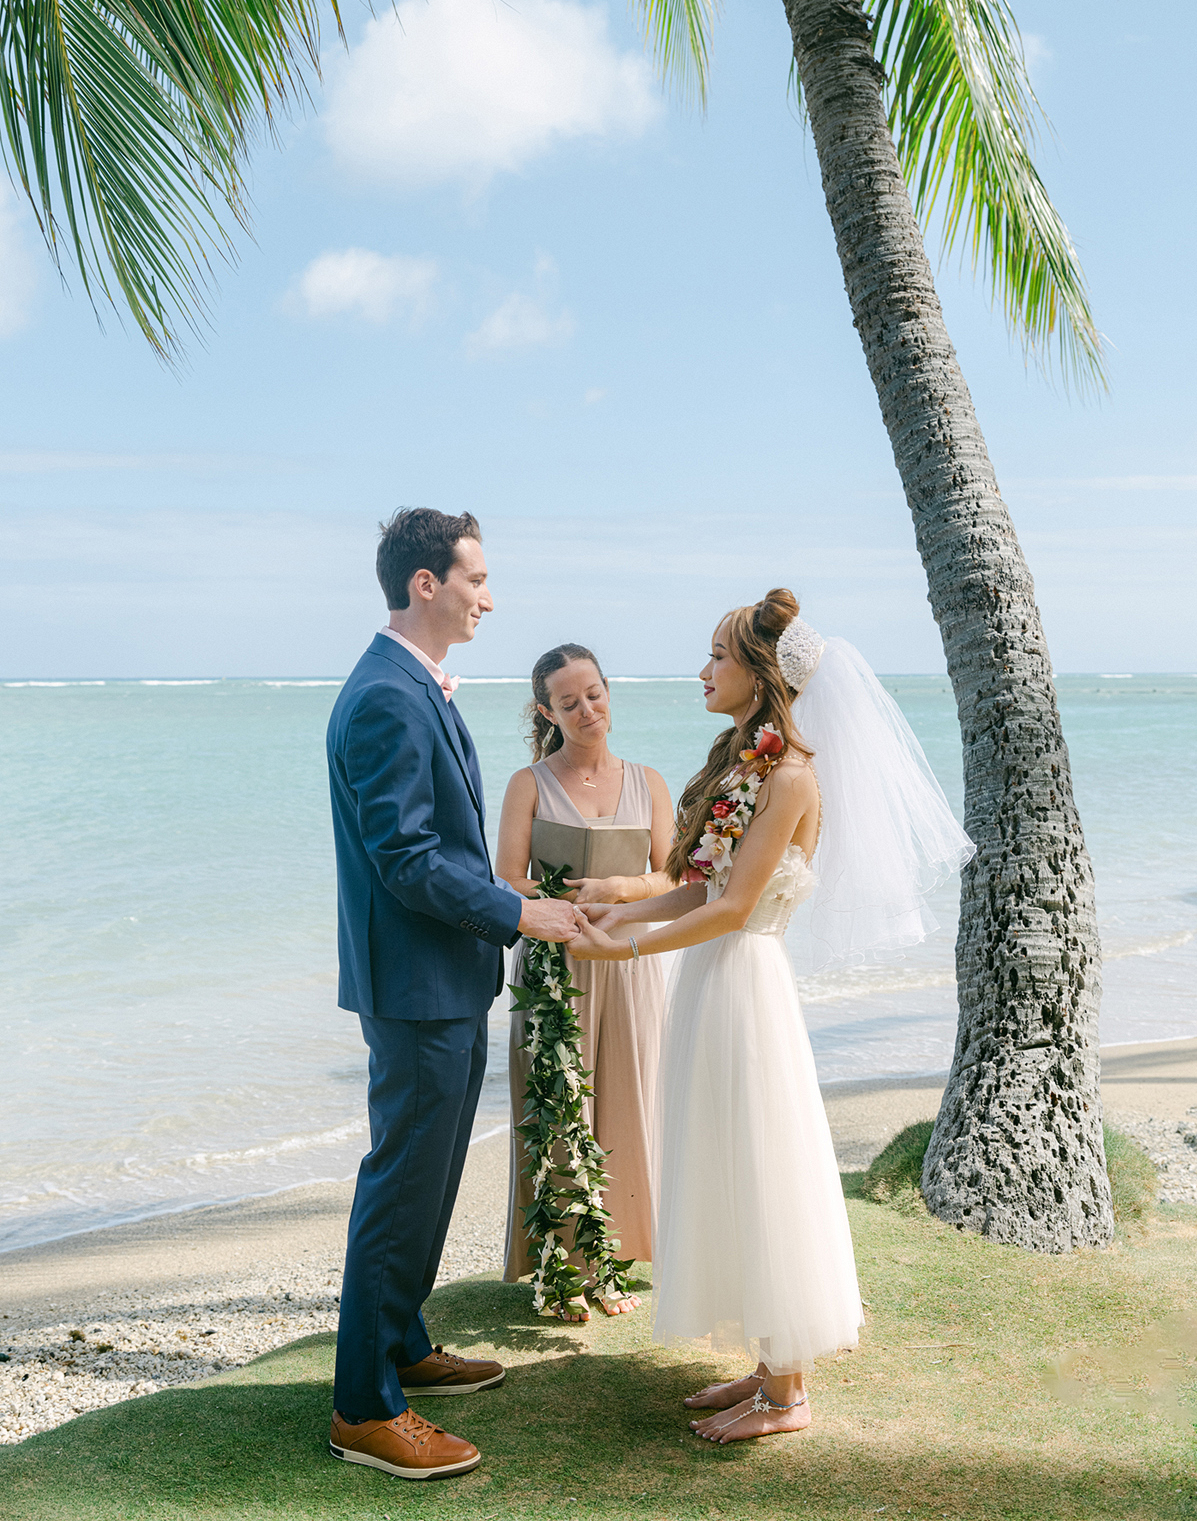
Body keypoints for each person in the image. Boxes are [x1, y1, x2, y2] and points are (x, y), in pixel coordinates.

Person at [570, 589, 973, 1444]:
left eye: (719, 655)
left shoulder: (789, 777)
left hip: (746, 981)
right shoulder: (747, 765)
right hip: (716, 980)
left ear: (760, 677)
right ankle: (765, 1366)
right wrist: (619, 909)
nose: (704, 669)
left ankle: (789, 1396)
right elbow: (700, 888)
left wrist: (626, 954)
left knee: (759, 1161)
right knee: (725, 1156)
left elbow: (736, 906)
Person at [325, 507, 581, 1482]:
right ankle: (363, 1405)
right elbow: (407, 858)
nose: (489, 594)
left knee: (428, 1180)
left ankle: (402, 1341)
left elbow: (437, 845)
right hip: (417, 986)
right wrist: (520, 913)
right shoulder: (388, 695)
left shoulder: (411, 684)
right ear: (426, 583)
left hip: (442, 978)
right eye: (476, 576)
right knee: (400, 1186)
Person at [496, 643, 677, 1316]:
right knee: (559, 1111)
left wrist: (617, 886)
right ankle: (563, 1263)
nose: (587, 710)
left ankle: (617, 1261)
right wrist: (557, 903)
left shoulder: (649, 781)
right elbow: (506, 879)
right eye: (569, 702)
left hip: (628, 963)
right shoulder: (529, 783)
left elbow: (674, 874)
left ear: (608, 692)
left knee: (630, 1104)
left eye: (594, 694)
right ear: (547, 710)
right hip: (556, 971)